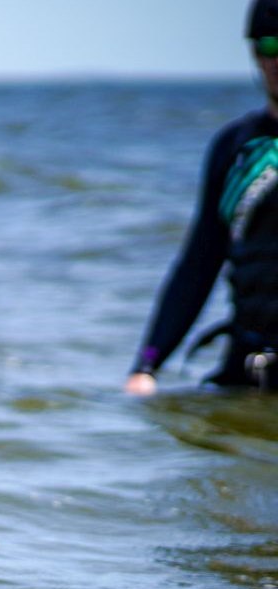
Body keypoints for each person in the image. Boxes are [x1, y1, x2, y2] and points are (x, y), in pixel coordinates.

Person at [127, 0, 278, 395]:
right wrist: (147, 365)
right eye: (269, 47)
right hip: (248, 363)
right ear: (254, 53)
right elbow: (199, 263)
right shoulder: (237, 146)